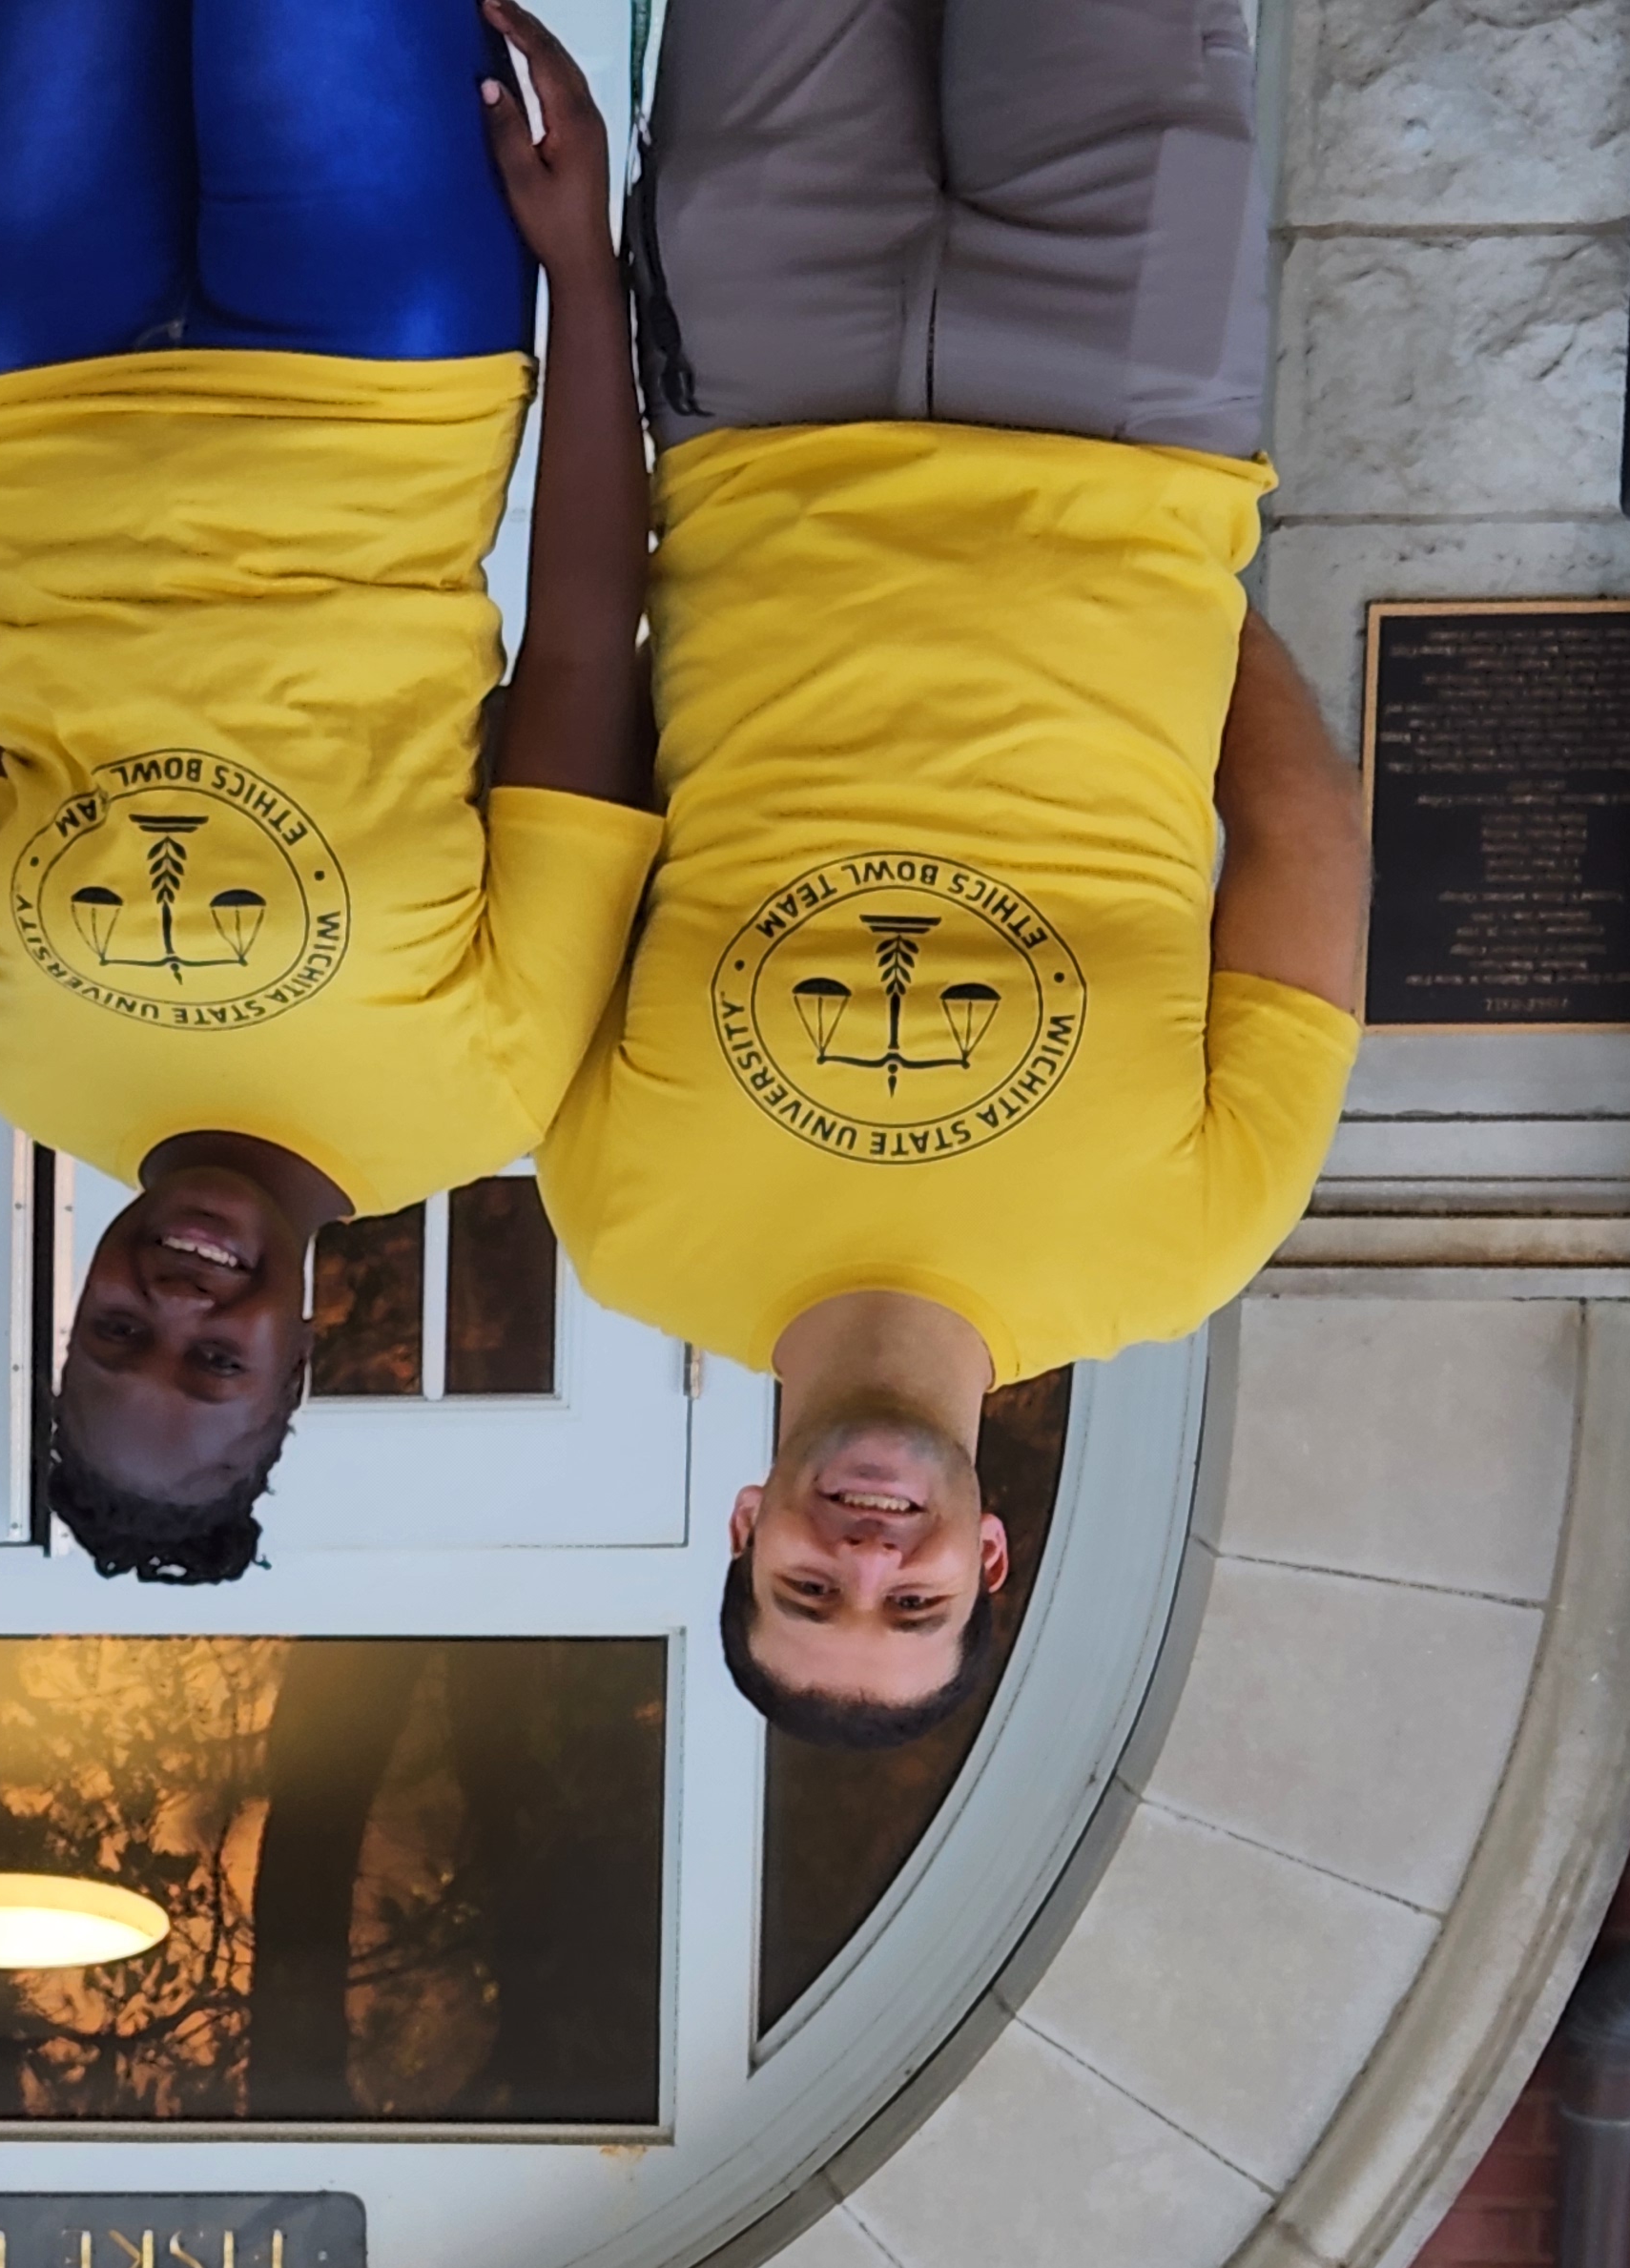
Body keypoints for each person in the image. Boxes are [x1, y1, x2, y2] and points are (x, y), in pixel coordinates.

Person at [535, 0, 1369, 1743]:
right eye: (908, 1604)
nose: (866, 1556)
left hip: (765, 405)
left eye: (806, 1587)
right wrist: (1161, 580)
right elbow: (1303, 843)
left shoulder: (620, 1225)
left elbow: (583, 799)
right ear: (990, 1559)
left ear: (750, 1530)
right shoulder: (1180, 1248)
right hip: (1123, 412)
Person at [0, 0, 661, 1586]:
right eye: (216, 1365)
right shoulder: (486, 1096)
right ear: (305, 1361)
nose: (174, 1305)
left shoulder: (26, 1068)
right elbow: (587, 650)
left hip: (15, 378)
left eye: (115, 1333)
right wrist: (584, 274)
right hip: (377, 373)